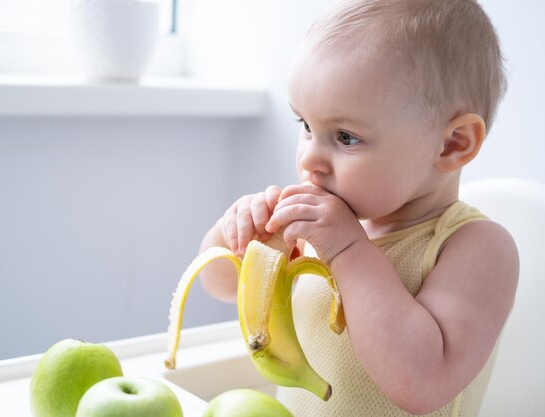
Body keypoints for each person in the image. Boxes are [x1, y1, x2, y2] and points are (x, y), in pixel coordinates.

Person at [198, 0, 519, 415]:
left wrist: (349, 250)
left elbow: (422, 383)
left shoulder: (477, 248)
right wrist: (237, 233)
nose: (309, 159)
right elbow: (219, 284)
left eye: (346, 137)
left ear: (452, 144)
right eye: (307, 126)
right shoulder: (328, 225)